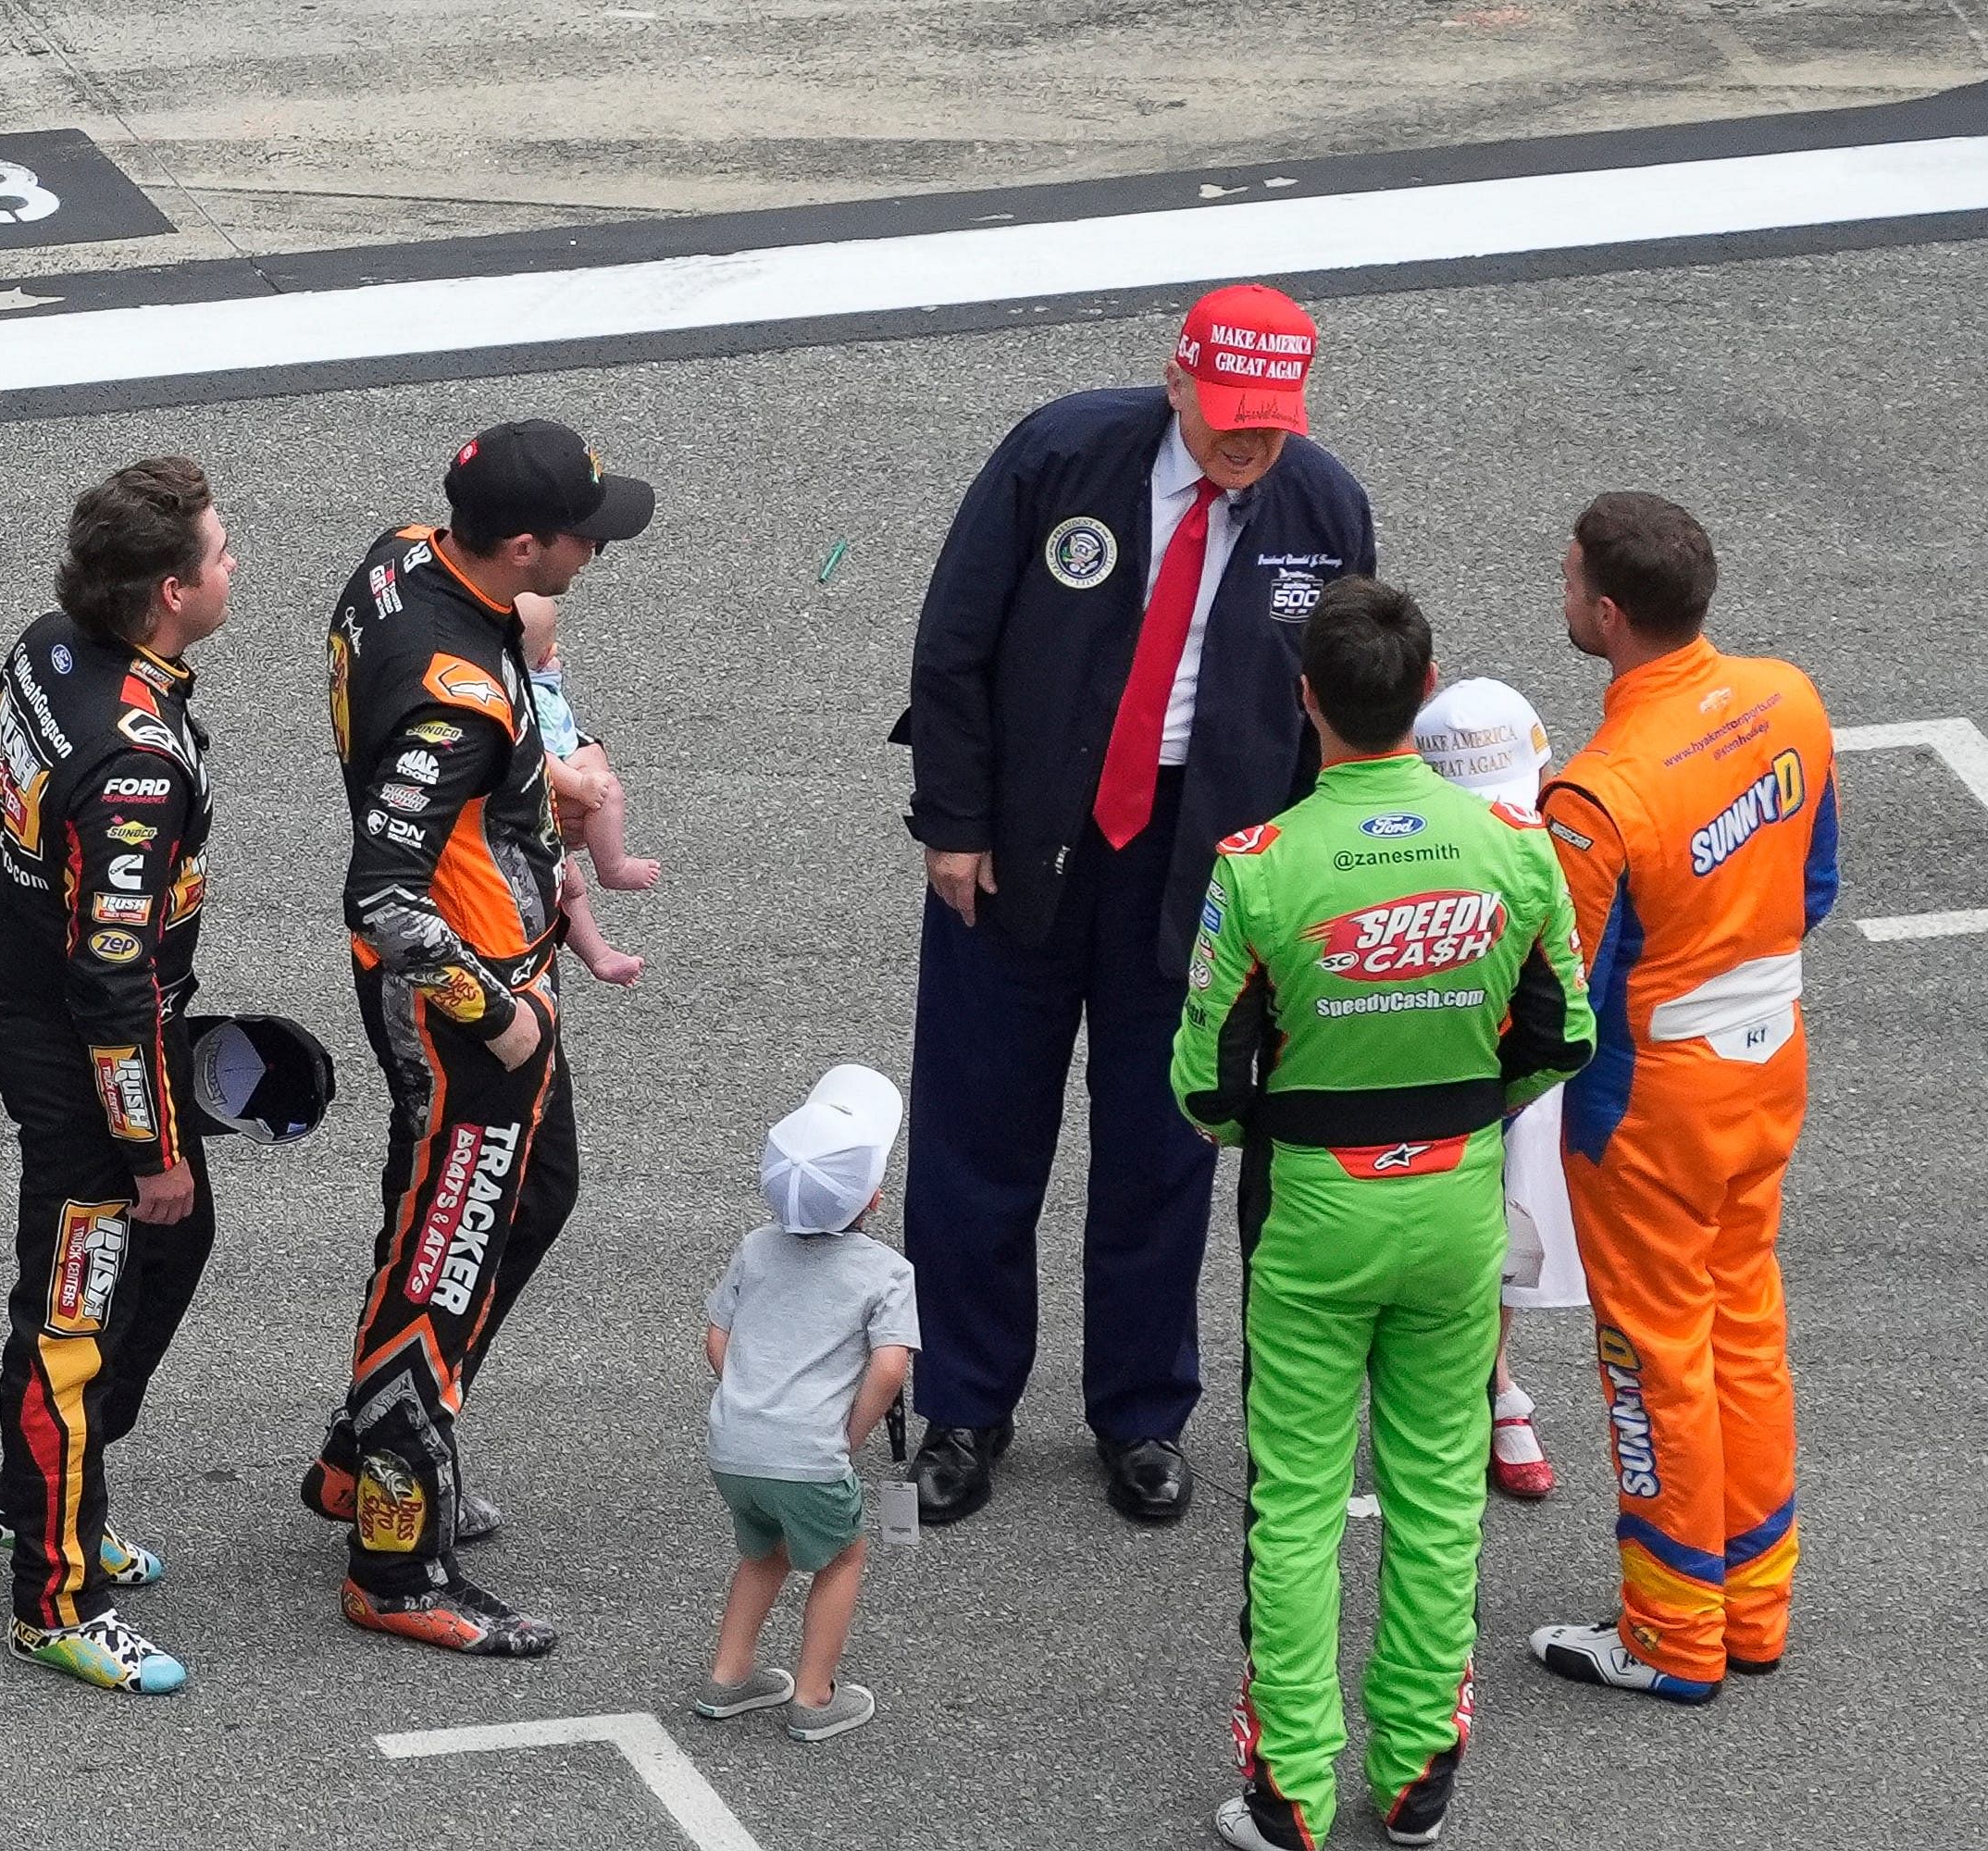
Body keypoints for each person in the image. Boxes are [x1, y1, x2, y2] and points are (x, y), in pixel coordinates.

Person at [895, 283, 1377, 1527]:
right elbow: (952, 644)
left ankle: (1142, 1415)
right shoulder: (1060, 455)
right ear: (1175, 382)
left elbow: (1338, 709)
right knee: (978, 1135)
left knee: (1162, 1146)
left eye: (1268, 424)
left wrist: (1297, 878)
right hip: (1021, 846)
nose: (1245, 444)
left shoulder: (1323, 508)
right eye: (1226, 417)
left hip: (1200, 864)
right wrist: (953, 823)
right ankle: (963, 1402)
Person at [1172, 578, 1595, 1851]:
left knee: (1294, 1505)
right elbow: (1558, 1038)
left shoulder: (1259, 868)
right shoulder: (1514, 852)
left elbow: (1205, 1087)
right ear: (1424, 695)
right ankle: (1416, 1778)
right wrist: (1456, 1117)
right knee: (1434, 1493)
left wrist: (1297, 1132)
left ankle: (1290, 1792)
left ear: (1306, 703)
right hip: (1458, 1207)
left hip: (1311, 1214)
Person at [302, 417, 653, 1655]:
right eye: (581, 538)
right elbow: (380, 892)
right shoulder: (450, 701)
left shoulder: (403, 552)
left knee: (533, 1195)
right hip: (463, 1015)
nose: (594, 555)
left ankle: (363, 1456)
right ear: (517, 545)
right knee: (443, 1258)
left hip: (486, 974)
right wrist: (495, 1012)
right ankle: (393, 1563)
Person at [1526, 491, 1839, 1706]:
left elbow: (1557, 996)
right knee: (1744, 1330)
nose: (1561, 594)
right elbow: (1813, 882)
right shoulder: (1788, 698)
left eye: (1566, 580)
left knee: (1650, 1360)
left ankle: (1667, 1635)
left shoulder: (1597, 796)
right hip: (1768, 1065)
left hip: (1648, 1104)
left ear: (1606, 612)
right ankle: (1753, 1610)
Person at [0, 456, 235, 1694]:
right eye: (222, 554)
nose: (236, 567)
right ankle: (52, 1593)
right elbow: (110, 980)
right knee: (76, 1316)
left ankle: (36, 1492)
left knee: (170, 1254)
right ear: (170, 592)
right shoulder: (132, 769)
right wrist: (152, 1150)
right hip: (90, 1059)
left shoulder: (47, 643)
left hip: (46, 1012)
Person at [693, 1064, 919, 1745]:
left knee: (764, 1553)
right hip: (809, 1456)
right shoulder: (886, 1272)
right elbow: (889, 1365)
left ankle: (727, 1678)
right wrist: (846, 1432)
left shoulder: (757, 1248)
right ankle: (815, 1696)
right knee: (842, 1558)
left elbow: (716, 1338)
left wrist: (753, 1398)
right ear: (873, 1199)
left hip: (734, 1446)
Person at [1413, 677, 1584, 1501]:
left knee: (1510, 1210)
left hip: (1512, 1069)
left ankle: (1493, 1376)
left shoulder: (1556, 847)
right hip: (1412, 1058)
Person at [511, 590, 661, 987]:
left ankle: (600, 954)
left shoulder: (530, 677)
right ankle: (611, 868)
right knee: (571, 881)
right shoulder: (523, 701)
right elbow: (537, 755)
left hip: (538, 816)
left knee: (568, 886)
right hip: (538, 806)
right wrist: (579, 784)